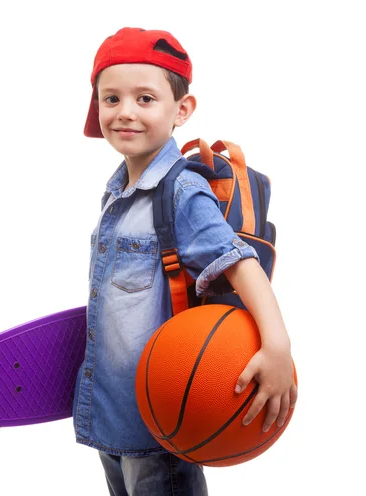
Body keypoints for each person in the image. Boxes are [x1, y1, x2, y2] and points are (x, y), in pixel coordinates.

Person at [72, 27, 297, 495]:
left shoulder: (182, 191)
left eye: (145, 98)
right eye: (111, 98)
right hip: (111, 414)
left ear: (182, 110)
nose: (125, 112)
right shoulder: (117, 192)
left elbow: (242, 263)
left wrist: (277, 347)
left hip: (163, 419)